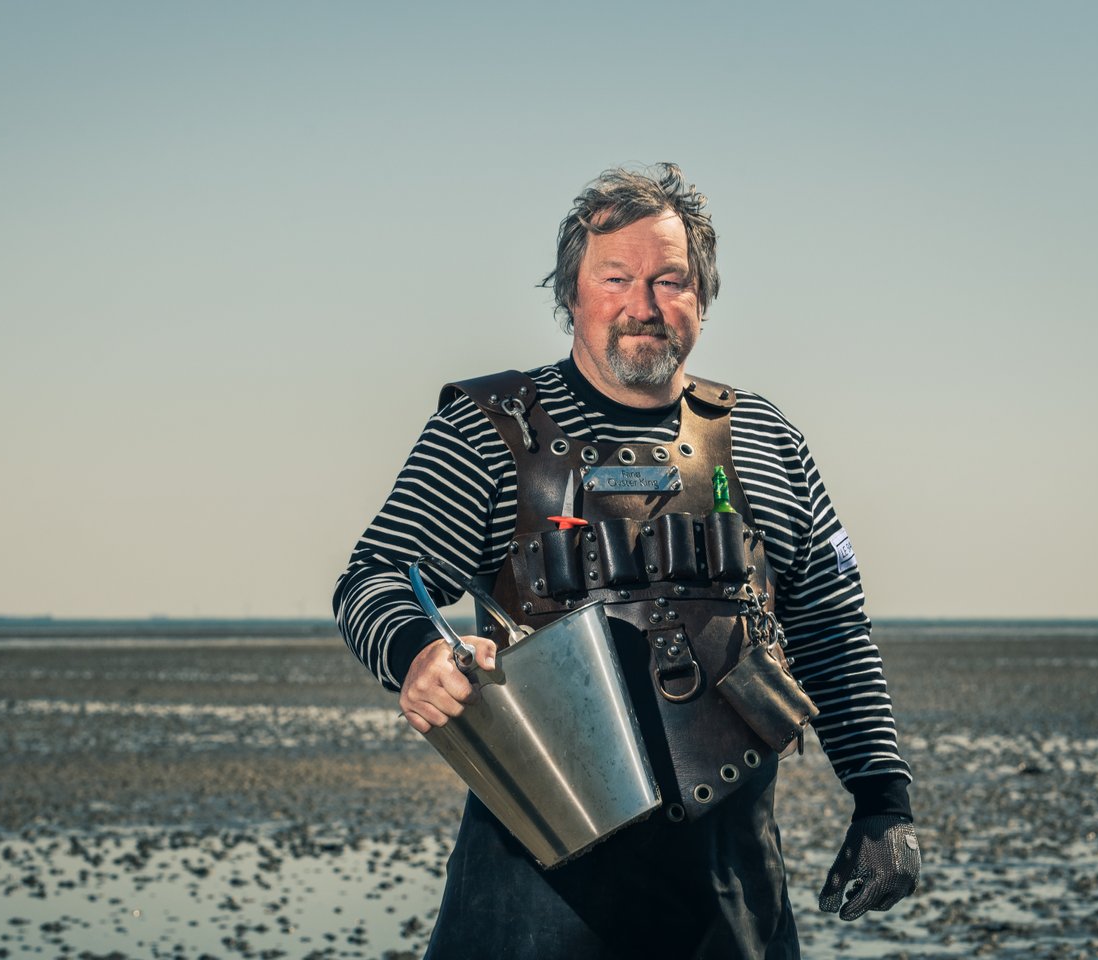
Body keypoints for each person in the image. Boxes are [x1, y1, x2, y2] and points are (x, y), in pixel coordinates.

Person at [333, 163, 920, 958]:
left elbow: (831, 627)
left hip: (733, 890)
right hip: (537, 880)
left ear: (702, 299)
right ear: (570, 294)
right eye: (616, 278)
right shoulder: (488, 430)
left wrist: (882, 804)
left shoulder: (764, 438)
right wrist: (418, 651)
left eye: (670, 281)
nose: (643, 305)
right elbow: (375, 577)